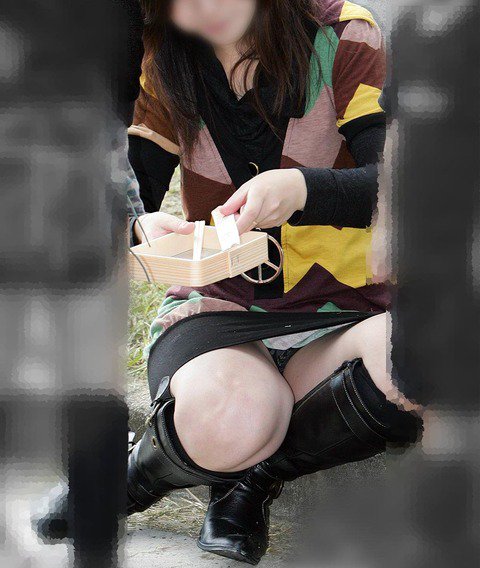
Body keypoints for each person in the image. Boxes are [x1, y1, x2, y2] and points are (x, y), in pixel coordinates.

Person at [126, 0, 423, 564]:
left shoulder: (344, 34)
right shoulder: (161, 55)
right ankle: (135, 476)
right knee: (231, 418)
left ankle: (254, 474)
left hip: (348, 308)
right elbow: (120, 192)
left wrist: (304, 190)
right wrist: (138, 226)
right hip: (220, 309)